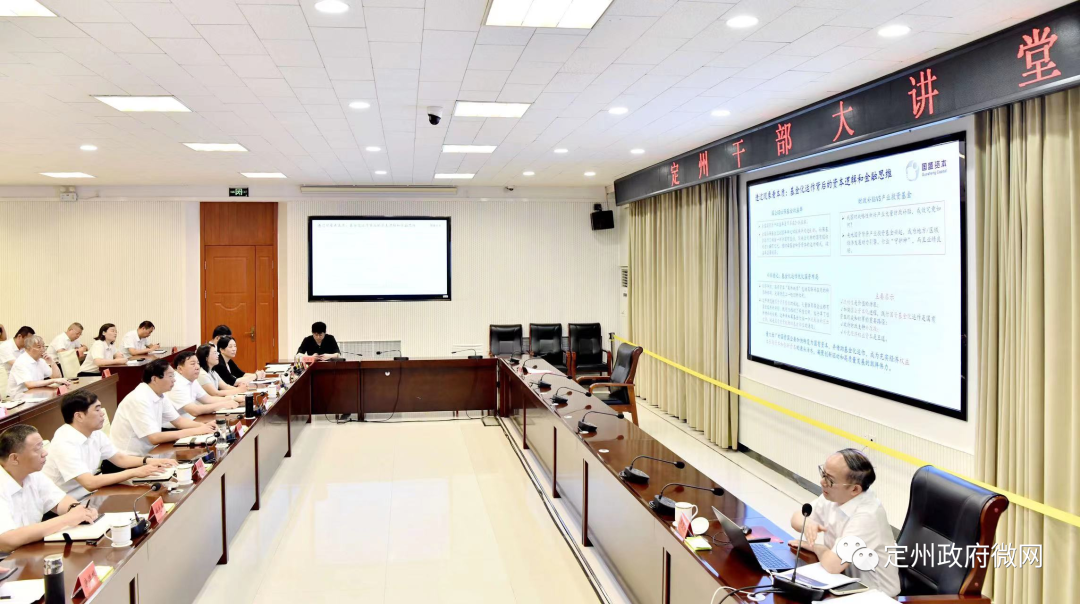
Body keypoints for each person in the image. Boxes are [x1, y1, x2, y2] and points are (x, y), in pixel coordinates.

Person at [789, 449, 900, 597]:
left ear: (854, 489)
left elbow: (832, 565)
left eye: (830, 480)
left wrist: (816, 547)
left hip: (875, 596)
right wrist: (808, 522)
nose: (822, 482)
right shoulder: (834, 496)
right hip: (843, 584)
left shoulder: (867, 515)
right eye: (823, 474)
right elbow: (796, 518)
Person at [43, 391, 178, 498]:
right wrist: (135, 472)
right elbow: (89, 483)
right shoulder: (64, 442)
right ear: (79, 416)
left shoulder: (95, 433)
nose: (102, 413)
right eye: (97, 409)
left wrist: (150, 461)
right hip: (64, 501)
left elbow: (120, 459)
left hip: (91, 493)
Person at [0, 424, 99, 553]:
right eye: (37, 449)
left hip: (30, 550)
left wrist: (78, 510)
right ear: (14, 458)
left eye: (42, 446)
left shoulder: (33, 474)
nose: (45, 453)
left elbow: (60, 501)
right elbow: (6, 541)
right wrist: (67, 519)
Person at [109, 359, 214, 457]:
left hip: (149, 454)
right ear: (154, 379)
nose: (174, 380)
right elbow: (154, 438)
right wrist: (196, 430)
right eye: (170, 376)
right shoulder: (139, 399)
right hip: (127, 459)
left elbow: (179, 421)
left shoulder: (160, 394)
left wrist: (204, 426)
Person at [166, 351, 242, 425]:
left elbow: (208, 399)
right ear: (180, 369)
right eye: (192, 364)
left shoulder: (192, 379)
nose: (197, 367)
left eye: (198, 363)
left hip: (191, 419)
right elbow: (194, 410)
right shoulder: (175, 384)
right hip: (174, 426)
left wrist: (233, 399)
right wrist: (224, 405)